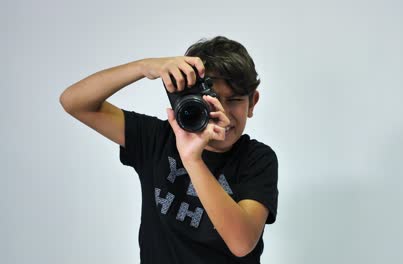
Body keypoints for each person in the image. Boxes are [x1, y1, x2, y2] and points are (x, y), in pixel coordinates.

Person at [59, 36, 278, 264]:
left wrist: (192, 159)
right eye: (210, 99)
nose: (220, 111)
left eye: (234, 100)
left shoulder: (257, 159)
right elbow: (74, 101)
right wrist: (144, 67)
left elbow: (241, 243)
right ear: (189, 97)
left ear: (252, 103)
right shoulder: (158, 139)